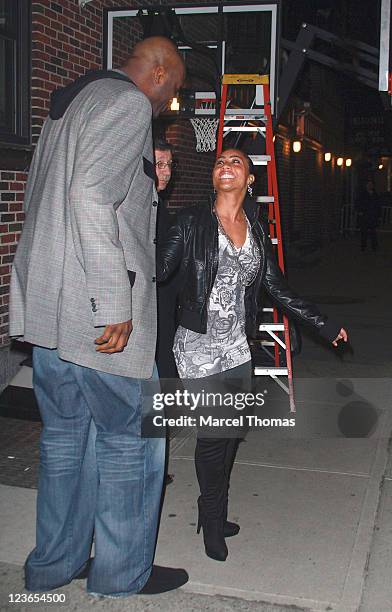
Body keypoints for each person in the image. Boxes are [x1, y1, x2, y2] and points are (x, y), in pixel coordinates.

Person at [9, 37, 187, 597]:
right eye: (173, 93)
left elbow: (62, 197)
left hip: (52, 318)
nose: (168, 106)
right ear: (158, 74)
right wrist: (114, 302)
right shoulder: (129, 102)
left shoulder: (69, 103)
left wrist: (145, 186)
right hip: (98, 317)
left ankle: (52, 566)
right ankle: (118, 575)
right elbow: (90, 195)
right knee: (131, 443)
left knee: (65, 443)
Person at [157, 148, 348, 562]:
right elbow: (159, 269)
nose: (226, 166)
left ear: (250, 180)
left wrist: (323, 324)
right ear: (214, 176)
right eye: (220, 162)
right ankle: (210, 521)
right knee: (214, 438)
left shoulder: (256, 229)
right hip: (198, 346)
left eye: (236, 162)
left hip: (237, 347)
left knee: (231, 435)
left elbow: (277, 287)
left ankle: (214, 510)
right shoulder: (191, 222)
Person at [154, 137, 179, 486]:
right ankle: (152, 467)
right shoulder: (140, 204)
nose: (167, 172)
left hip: (166, 311)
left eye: (170, 165)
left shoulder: (160, 205)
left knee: (163, 391)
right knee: (156, 391)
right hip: (151, 313)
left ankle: (155, 465)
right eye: (159, 163)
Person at [355, 178, 381, 251]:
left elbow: (378, 205)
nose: (370, 186)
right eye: (368, 184)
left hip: (373, 215)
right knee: (364, 232)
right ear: (366, 185)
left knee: (373, 232)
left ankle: (374, 246)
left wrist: (379, 215)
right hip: (365, 215)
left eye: (371, 184)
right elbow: (358, 203)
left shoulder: (375, 194)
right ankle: (363, 246)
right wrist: (360, 211)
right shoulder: (362, 194)